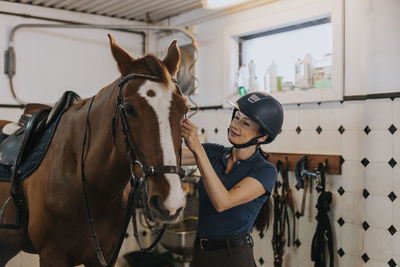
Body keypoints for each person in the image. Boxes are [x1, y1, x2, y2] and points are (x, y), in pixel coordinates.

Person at [181, 91, 284, 267]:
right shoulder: (213, 152)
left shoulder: (265, 171)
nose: (235, 125)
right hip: (200, 254)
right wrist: (174, 112)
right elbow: (163, 156)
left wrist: (198, 149)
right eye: (236, 117)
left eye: (245, 123)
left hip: (233, 258)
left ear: (263, 136)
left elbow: (223, 202)